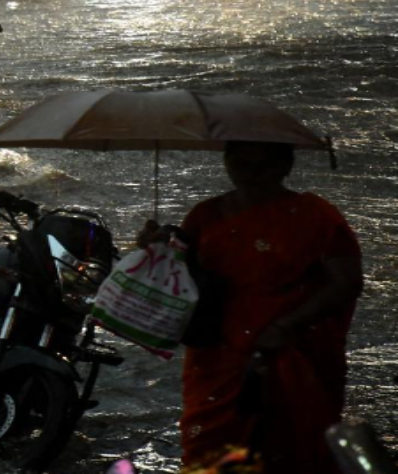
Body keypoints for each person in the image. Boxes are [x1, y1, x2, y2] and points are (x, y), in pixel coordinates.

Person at [139, 141, 363, 474]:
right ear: (227, 164)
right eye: (242, 164)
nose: (252, 175)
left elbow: (346, 282)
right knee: (209, 447)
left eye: (265, 166)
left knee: (293, 444)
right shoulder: (206, 215)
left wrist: (288, 326)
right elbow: (180, 277)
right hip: (218, 353)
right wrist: (153, 247)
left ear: (286, 166)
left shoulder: (315, 216)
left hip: (290, 349)